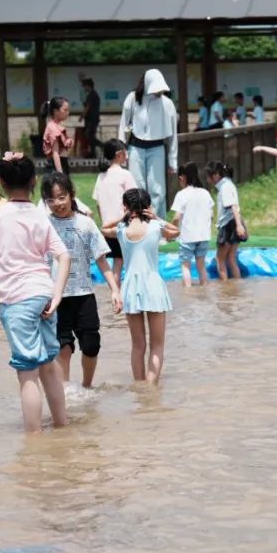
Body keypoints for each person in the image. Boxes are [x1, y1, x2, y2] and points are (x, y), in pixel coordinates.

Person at [0, 152, 70, 433]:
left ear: (0, 182)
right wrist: (57, 295)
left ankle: (34, 442)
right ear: (34, 181)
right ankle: (62, 427)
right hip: (44, 295)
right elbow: (64, 256)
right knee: (49, 364)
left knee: (27, 373)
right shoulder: (40, 215)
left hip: (17, 300)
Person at [42, 171, 122, 388]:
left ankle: (87, 386)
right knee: (63, 346)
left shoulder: (85, 224)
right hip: (56, 298)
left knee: (91, 344)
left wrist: (115, 290)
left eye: (61, 197)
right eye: (51, 199)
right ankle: (65, 391)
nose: (57, 203)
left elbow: (102, 261)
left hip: (84, 294)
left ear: (71, 195)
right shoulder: (43, 225)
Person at [102, 188, 179, 385]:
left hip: (130, 288)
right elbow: (176, 232)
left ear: (126, 206)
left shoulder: (120, 230)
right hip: (153, 286)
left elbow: (103, 227)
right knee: (157, 345)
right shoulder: (155, 227)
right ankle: (151, 388)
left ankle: (138, 385)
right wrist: (158, 217)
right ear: (147, 207)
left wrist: (123, 217)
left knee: (138, 345)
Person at [117, 70, 179, 219]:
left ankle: (158, 224)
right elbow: (123, 125)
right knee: (137, 187)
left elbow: (173, 135)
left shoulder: (167, 104)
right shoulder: (132, 99)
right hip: (135, 148)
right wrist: (122, 152)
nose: (159, 92)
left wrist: (173, 160)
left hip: (157, 148)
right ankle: (137, 222)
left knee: (157, 190)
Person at [93, 139, 138, 282]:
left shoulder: (101, 177)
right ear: (119, 154)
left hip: (107, 229)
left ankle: (114, 296)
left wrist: (105, 222)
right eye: (126, 153)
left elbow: (98, 205)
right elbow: (135, 200)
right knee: (124, 264)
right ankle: (121, 297)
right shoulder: (125, 175)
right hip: (123, 227)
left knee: (116, 265)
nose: (127, 156)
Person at [170, 161, 215, 287]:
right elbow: (211, 216)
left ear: (182, 178)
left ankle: (188, 293)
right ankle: (204, 289)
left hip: (187, 237)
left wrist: (171, 230)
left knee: (185, 267)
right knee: (201, 266)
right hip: (203, 236)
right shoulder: (205, 193)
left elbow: (177, 217)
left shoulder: (181, 194)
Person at [208, 162, 246, 280]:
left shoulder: (225, 187)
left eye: (208, 176)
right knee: (231, 258)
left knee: (220, 260)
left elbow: (233, 206)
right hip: (233, 223)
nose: (207, 179)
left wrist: (239, 226)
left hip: (229, 225)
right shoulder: (228, 185)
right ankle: (237, 286)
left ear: (216, 176)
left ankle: (225, 291)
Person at [41, 96, 73, 175]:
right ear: (56, 111)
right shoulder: (52, 127)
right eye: (65, 110)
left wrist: (68, 141)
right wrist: (60, 173)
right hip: (56, 166)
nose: (68, 112)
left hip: (62, 163)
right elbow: (55, 153)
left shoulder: (59, 126)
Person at [79, 78, 100, 158]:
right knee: (90, 135)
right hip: (89, 119)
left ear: (88, 86)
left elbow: (88, 107)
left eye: (84, 86)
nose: (84, 88)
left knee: (89, 135)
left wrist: (82, 116)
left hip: (93, 119)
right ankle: (92, 152)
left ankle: (103, 146)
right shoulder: (90, 95)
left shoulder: (93, 95)